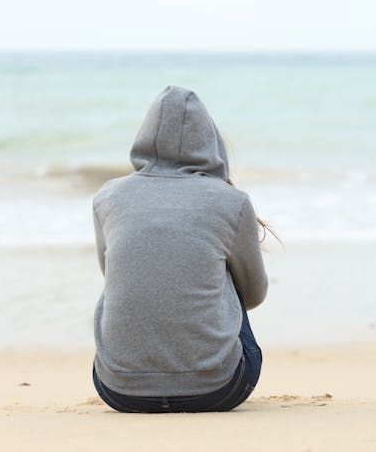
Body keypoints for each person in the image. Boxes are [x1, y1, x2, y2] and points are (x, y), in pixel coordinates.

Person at [90, 85, 271, 413]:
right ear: (211, 143)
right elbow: (254, 295)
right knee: (222, 273)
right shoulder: (231, 201)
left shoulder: (107, 197)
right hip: (219, 388)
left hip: (118, 390)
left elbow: (111, 276)